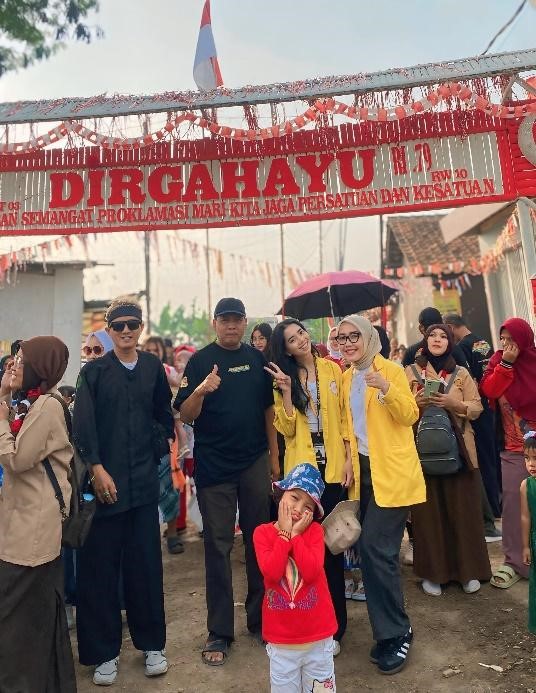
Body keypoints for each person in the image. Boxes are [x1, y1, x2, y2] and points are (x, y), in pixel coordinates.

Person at [73, 296, 174, 686]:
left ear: (141, 328)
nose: (127, 332)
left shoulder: (151, 368)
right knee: (99, 572)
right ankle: (104, 654)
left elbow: (164, 417)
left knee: (145, 569)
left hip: (143, 489)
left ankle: (152, 645)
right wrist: (97, 469)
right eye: (119, 326)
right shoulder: (94, 373)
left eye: (133, 325)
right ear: (109, 330)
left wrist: (152, 447)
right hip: (104, 492)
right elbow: (82, 426)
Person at [175, 297, 278, 666]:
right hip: (214, 468)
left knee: (259, 542)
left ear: (245, 322)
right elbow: (185, 415)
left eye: (237, 320)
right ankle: (219, 630)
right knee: (217, 548)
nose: (231, 326)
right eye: (225, 320)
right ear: (214, 323)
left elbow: (268, 410)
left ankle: (261, 619)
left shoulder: (256, 359)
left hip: (253, 462)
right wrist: (202, 389)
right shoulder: (200, 361)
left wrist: (274, 460)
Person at [336, 314, 425, 675]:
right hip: (364, 474)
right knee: (372, 553)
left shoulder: (391, 370)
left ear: (369, 337)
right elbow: (347, 425)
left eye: (354, 335)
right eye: (341, 338)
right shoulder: (345, 378)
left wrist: (386, 389)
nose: (348, 343)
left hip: (394, 473)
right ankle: (391, 630)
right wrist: (345, 459)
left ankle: (396, 632)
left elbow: (409, 414)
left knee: (376, 549)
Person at [266, 318, 353, 657]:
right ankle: (309, 622)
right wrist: (287, 391)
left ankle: (336, 628)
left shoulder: (331, 369)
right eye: (291, 339)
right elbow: (286, 428)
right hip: (304, 477)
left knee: (332, 550)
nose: (300, 340)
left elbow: (345, 417)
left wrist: (347, 458)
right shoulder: (282, 380)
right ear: (284, 348)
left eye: (301, 333)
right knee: (305, 552)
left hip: (332, 470)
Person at [0, 336, 76, 692]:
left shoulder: (46, 406)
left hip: (32, 531)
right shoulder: (27, 402)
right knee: (32, 615)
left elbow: (17, 459)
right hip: (22, 523)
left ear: (41, 366)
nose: (15, 364)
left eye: (22, 359)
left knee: (20, 620)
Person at [406, 324, 491, 597]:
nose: (438, 340)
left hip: (460, 452)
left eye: (443, 336)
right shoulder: (411, 372)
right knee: (429, 515)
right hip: (423, 453)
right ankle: (434, 574)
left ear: (450, 342)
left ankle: (468, 572)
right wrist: (416, 402)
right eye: (432, 336)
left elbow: (477, 407)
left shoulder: (462, 373)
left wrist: (454, 404)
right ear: (425, 340)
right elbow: (400, 410)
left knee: (464, 513)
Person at [253, 463, 337, 692]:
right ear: (281, 494)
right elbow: (271, 572)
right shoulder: (262, 533)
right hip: (281, 641)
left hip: (318, 637)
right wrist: (283, 535)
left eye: (308, 505)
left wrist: (296, 535)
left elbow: (310, 572)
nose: (299, 508)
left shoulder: (315, 533)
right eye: (294, 497)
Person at [481, 317, 536, 589]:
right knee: (514, 504)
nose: (506, 345)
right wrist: (506, 365)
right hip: (513, 448)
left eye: (511, 340)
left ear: (524, 339)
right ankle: (515, 561)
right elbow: (489, 389)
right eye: (502, 340)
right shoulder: (497, 362)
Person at [443, 312, 502, 539]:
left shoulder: (462, 348)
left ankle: (492, 512)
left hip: (474, 409)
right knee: (491, 456)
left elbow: (471, 381)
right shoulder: (482, 341)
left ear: (450, 327)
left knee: (480, 461)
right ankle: (497, 506)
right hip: (488, 407)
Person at [402, 307, 469, 369]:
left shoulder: (411, 352)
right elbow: (467, 378)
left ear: (421, 328)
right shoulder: (454, 349)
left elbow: (403, 379)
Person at [521, 431, 536, 634]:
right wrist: (525, 545)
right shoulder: (526, 486)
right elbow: (525, 517)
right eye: (527, 458)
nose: (531, 464)